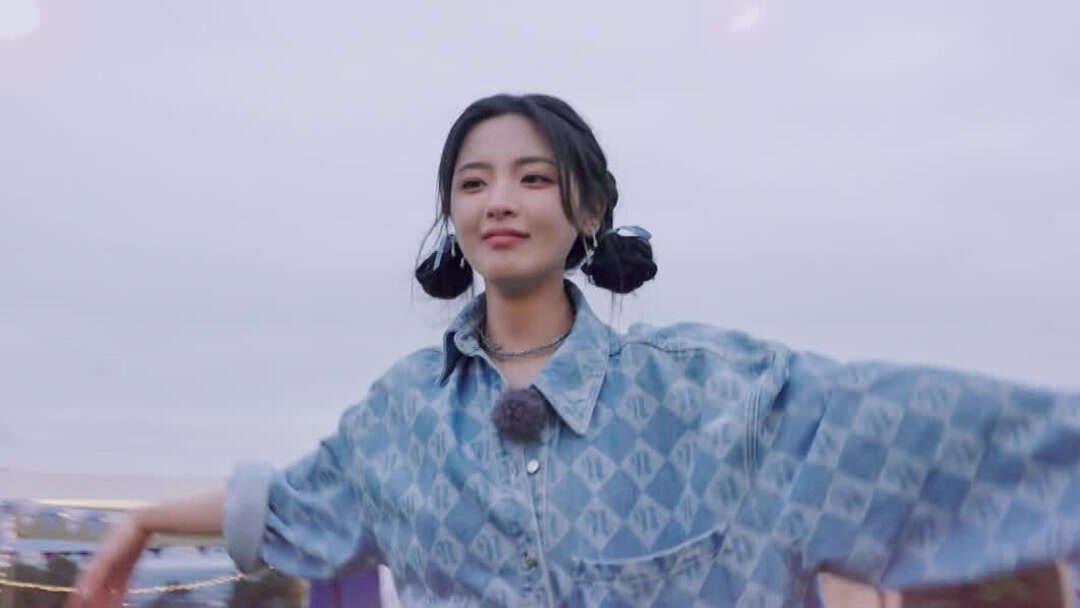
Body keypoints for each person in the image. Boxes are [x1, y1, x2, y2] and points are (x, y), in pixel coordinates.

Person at [69, 93, 1080, 607]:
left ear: (589, 209)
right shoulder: (401, 418)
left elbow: (931, 432)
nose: (500, 200)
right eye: (473, 182)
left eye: (534, 177)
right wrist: (144, 521)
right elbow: (289, 504)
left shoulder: (719, 394)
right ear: (452, 217)